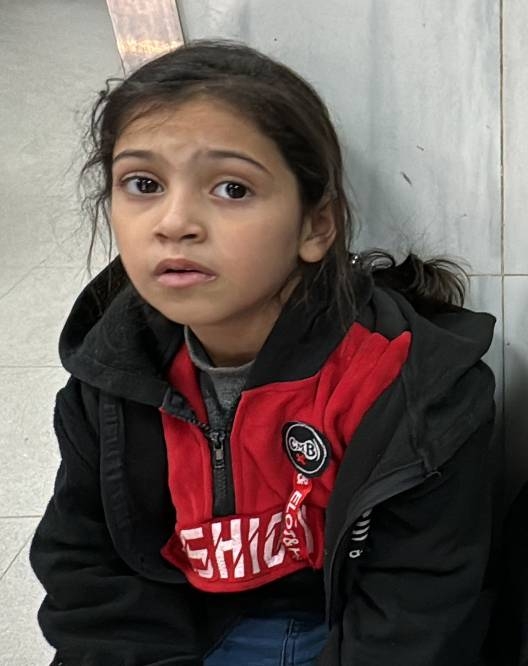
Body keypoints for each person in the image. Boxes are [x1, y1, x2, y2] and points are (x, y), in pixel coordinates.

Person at [30, 40, 500, 666]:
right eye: (142, 183)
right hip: (186, 634)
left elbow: (419, 611)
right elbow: (88, 574)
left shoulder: (412, 386)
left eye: (230, 188)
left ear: (316, 227)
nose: (174, 222)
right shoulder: (108, 376)